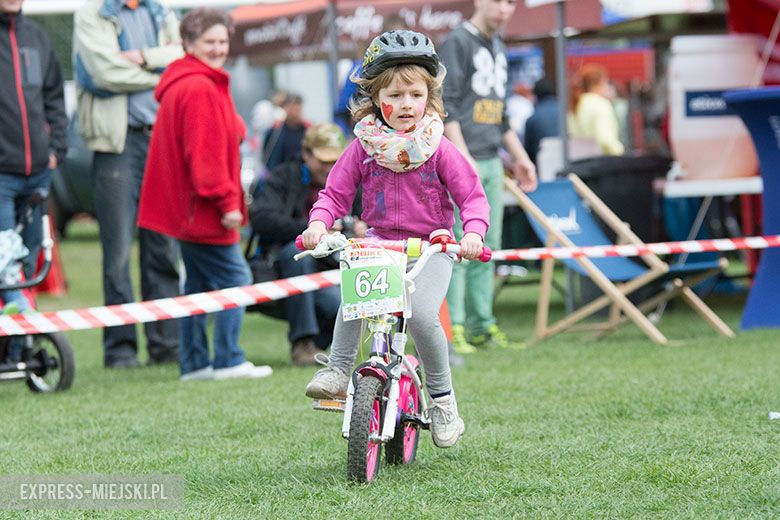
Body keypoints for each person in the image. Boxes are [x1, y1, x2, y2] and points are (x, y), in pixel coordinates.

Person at [301, 30, 490, 448]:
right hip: (381, 243)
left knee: (422, 313)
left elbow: (472, 196)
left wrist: (473, 233)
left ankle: (442, 400)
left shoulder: (438, 147)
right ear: (375, 97)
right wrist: (319, 223)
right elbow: (333, 194)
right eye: (395, 94)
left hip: (433, 247)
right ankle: (337, 369)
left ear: (429, 97)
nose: (406, 104)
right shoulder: (363, 147)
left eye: (416, 94)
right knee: (356, 296)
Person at [137, 8, 272, 382]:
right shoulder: (199, 86)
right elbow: (205, 155)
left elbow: (217, 134)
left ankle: (195, 363)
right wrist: (228, 203)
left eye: (222, 41)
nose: (217, 49)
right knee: (236, 277)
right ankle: (228, 359)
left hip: (188, 209)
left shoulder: (191, 82)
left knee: (195, 287)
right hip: (206, 208)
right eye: (209, 42)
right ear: (188, 44)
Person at [73, 0, 182, 369]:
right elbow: (104, 73)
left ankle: (165, 344)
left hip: (160, 140)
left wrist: (141, 56)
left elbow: (182, 55)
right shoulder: (92, 13)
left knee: (164, 249)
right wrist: (160, 74)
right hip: (116, 146)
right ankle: (120, 350)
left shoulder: (161, 11)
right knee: (117, 253)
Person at [438, 0, 537, 353]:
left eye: (511, 2)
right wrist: (462, 157)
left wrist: (520, 157)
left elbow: (502, 115)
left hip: (492, 160)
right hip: (462, 159)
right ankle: (455, 328)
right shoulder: (456, 42)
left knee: (484, 247)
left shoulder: (498, 45)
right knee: (458, 246)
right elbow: (444, 103)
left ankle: (482, 324)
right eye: (498, 1)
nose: (505, 9)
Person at [249, 123, 366, 367]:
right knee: (298, 250)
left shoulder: (349, 181)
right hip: (287, 265)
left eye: (334, 160)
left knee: (340, 306)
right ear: (306, 153)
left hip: (332, 268)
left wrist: (361, 229)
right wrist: (311, 230)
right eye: (323, 160)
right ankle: (302, 343)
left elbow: (366, 218)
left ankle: (315, 346)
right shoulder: (284, 176)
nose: (329, 167)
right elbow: (261, 218)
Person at [0, 0, 66, 314]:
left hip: (38, 172)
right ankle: (18, 327)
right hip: (2, 177)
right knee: (4, 262)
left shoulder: (37, 37)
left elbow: (54, 95)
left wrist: (56, 147)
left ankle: (19, 352)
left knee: (29, 261)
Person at [568, 63, 625, 156]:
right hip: (602, 162)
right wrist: (619, 150)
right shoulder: (600, 104)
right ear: (598, 83)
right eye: (606, 83)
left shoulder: (577, 103)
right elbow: (605, 140)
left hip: (581, 160)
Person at [262, 93, 309, 171]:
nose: (294, 112)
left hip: (303, 176)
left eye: (297, 107)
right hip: (279, 176)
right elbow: (267, 155)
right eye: (291, 107)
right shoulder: (275, 131)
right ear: (284, 108)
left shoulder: (307, 130)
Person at [524, 77, 559, 165]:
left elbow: (528, 152)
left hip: (543, 167)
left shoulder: (532, 119)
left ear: (535, 95)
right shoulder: (566, 111)